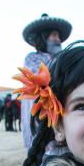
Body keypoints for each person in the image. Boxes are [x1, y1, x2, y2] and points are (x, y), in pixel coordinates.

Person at [20, 13, 72, 149]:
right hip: (40, 117)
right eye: (54, 35)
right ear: (43, 38)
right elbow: (43, 79)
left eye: (59, 36)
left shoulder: (63, 59)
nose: (58, 40)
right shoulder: (32, 59)